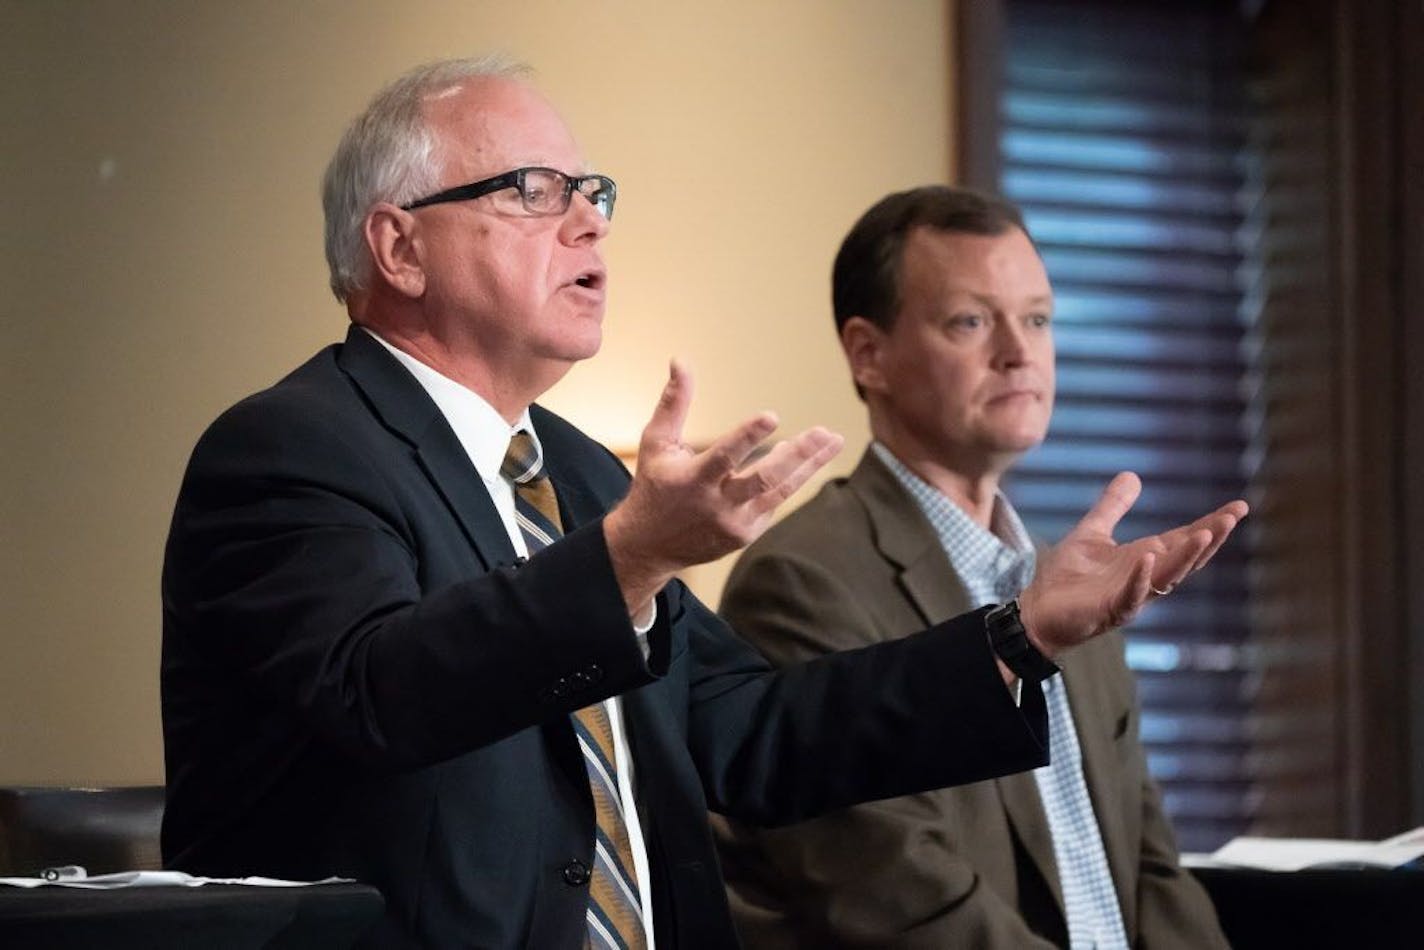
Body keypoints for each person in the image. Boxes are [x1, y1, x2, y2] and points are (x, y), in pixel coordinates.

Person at [159, 58, 1245, 949]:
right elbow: (378, 690)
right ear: (398, 246)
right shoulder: (293, 448)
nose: (587, 224)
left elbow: (751, 733)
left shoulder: (576, 474)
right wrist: (626, 560)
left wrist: (1021, 633)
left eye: (593, 195)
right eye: (535, 191)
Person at [713, 185, 1232, 949]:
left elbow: (1150, 863)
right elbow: (893, 895)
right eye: (971, 321)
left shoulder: (1070, 576)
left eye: (1037, 319)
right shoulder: (802, 581)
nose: (1019, 351)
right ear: (869, 353)